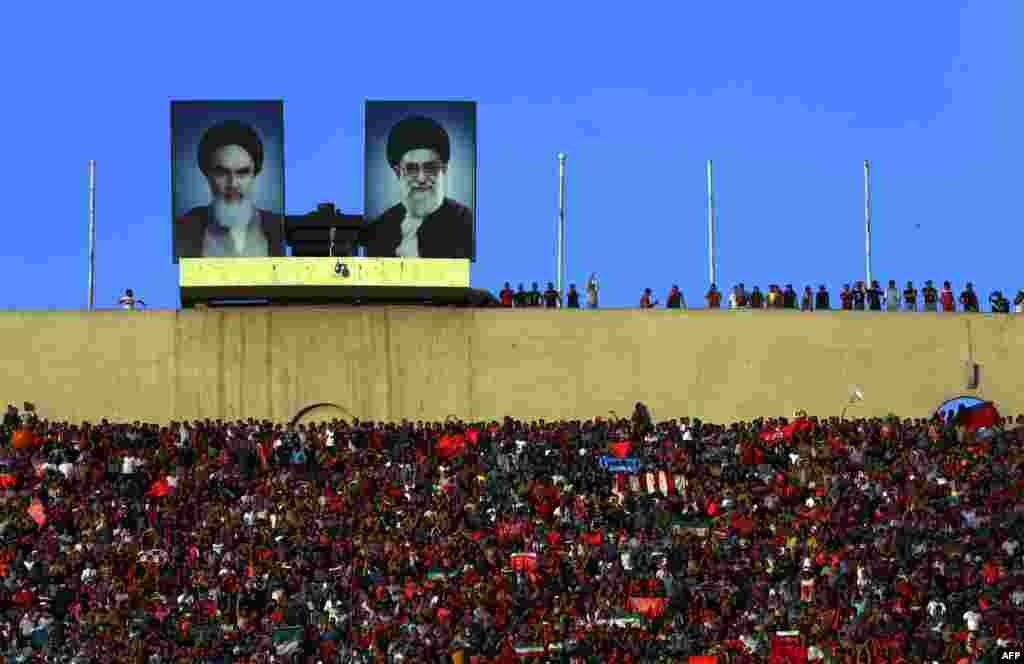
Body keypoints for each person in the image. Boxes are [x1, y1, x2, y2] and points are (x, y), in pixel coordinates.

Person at [366, 116, 473, 259]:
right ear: (398, 172)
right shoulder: (380, 228)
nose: (421, 178)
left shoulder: (467, 224)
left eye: (430, 168)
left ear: (444, 170)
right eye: (411, 169)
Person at [174, 120, 284, 258]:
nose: (232, 184)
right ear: (207, 174)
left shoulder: (280, 229)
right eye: (221, 173)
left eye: (242, 172)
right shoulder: (181, 230)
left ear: (254, 174)